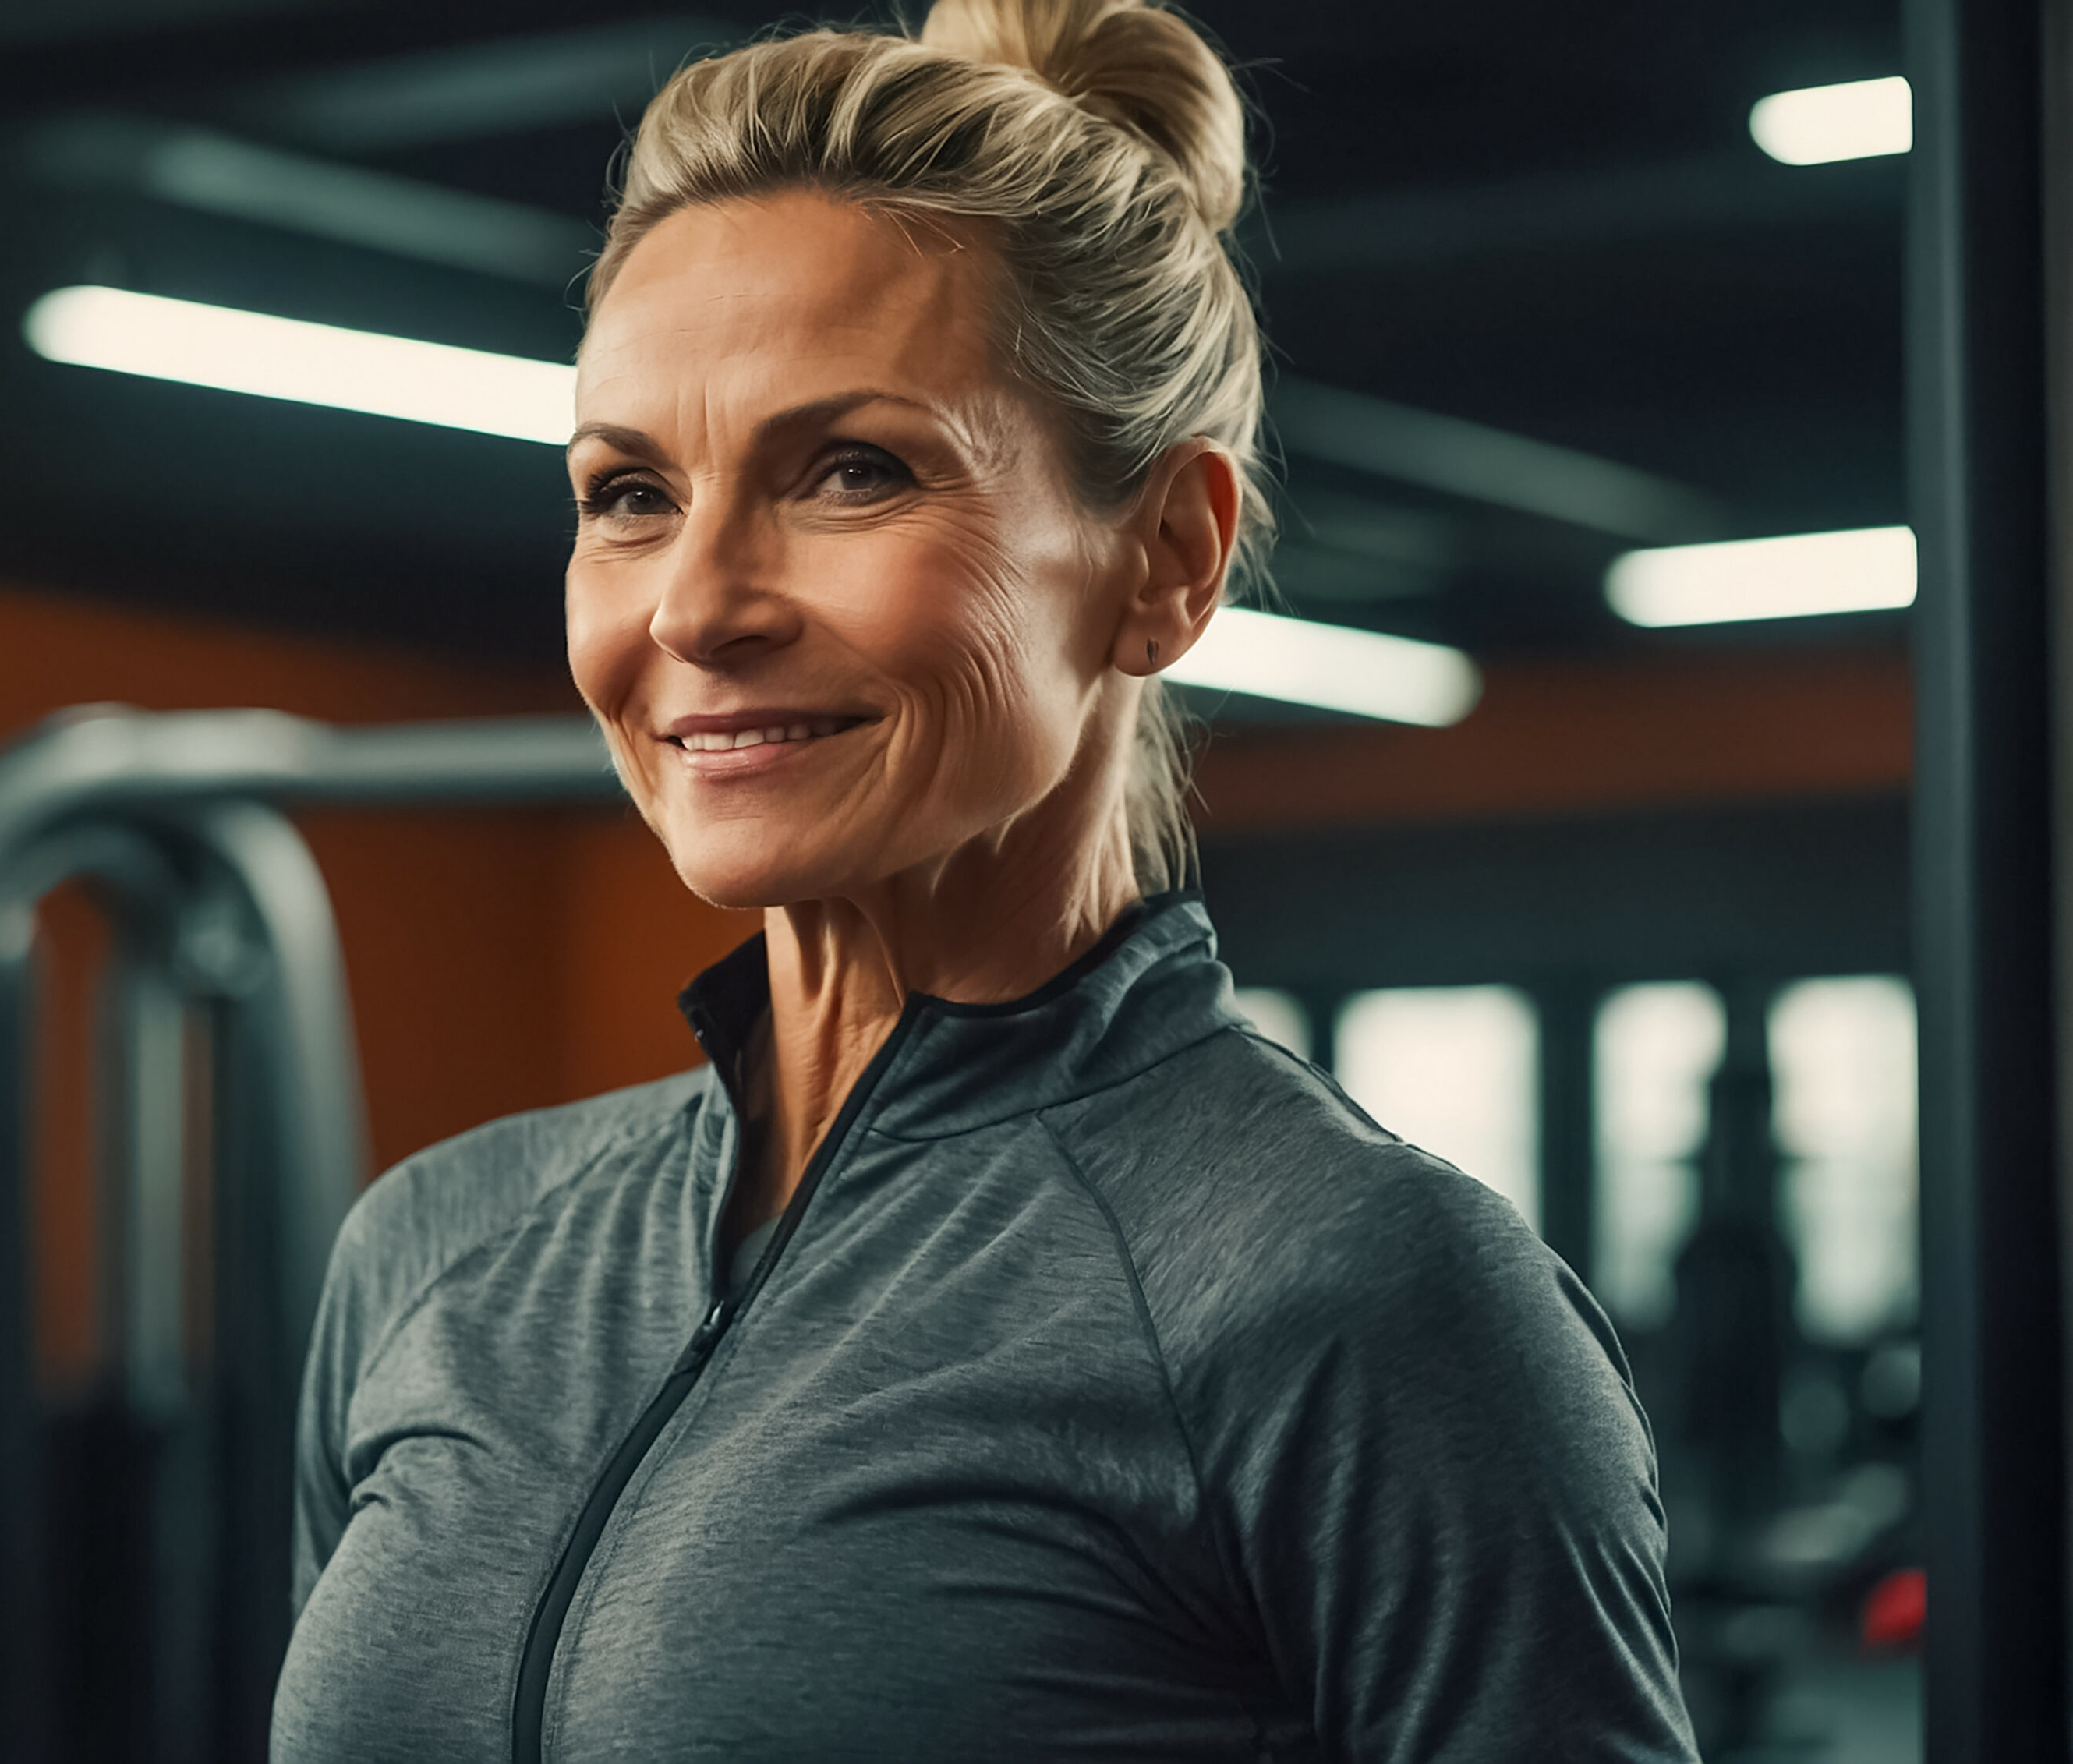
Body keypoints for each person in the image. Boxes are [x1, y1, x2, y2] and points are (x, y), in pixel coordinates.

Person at [271, 2, 1698, 1757]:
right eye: (628, 492)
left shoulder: (1358, 1302)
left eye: (851, 470)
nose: (693, 605)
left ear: (1163, 559)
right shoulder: (439, 1248)